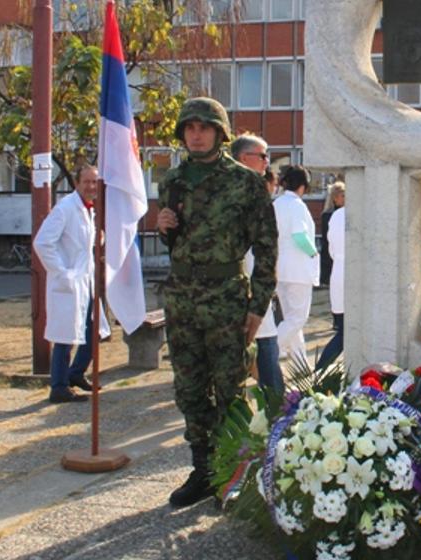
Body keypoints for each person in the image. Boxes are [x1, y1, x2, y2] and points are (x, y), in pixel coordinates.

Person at [156, 97, 277, 508]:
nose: (196, 135)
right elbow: (177, 242)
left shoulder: (245, 182)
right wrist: (164, 228)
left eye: (204, 127)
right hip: (182, 300)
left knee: (229, 390)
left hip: (226, 300)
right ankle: (203, 470)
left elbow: (267, 248)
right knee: (189, 390)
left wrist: (258, 306)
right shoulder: (173, 180)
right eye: (189, 127)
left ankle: (233, 473)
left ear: (220, 133)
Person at [33, 165, 111, 404]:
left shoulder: (88, 209)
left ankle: (76, 373)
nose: (91, 186)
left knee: (93, 330)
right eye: (86, 181)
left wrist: (98, 239)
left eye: (94, 182)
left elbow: (80, 243)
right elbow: (42, 242)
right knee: (65, 336)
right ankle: (58, 386)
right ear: (76, 183)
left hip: (85, 282)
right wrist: (62, 273)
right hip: (69, 282)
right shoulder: (65, 208)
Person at [231, 133, 283, 395]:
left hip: (257, 286)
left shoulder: (256, 193)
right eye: (262, 156)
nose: (266, 162)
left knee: (266, 346)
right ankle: (277, 405)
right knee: (263, 349)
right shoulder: (231, 194)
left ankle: (276, 403)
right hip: (237, 287)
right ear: (244, 158)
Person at [273, 165, 320, 364]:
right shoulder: (297, 205)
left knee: (291, 319)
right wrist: (313, 252)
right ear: (303, 186)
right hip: (298, 269)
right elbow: (299, 235)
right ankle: (268, 349)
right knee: (297, 319)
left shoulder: (277, 203)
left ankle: (301, 367)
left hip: (280, 268)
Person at [315, 200, 345, 371]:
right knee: (345, 333)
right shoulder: (361, 214)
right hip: (352, 274)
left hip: (338, 270)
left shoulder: (337, 215)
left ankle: (320, 370)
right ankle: (320, 370)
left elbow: (331, 248)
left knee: (343, 329)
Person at [319, 182, 346, 286]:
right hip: (329, 259)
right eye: (342, 196)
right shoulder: (328, 215)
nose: (345, 199)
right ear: (335, 198)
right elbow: (328, 240)